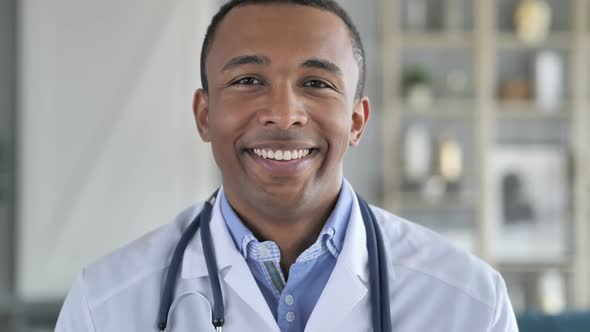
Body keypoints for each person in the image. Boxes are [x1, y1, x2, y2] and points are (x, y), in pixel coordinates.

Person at [55, 0, 519, 331]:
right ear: (204, 116)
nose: (284, 112)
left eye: (316, 82)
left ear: (356, 122)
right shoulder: (104, 306)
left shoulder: (471, 304)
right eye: (248, 79)